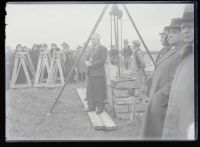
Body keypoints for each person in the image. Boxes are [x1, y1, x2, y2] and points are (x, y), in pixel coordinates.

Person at [141, 17, 185, 139]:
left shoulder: (183, 52)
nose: (169, 35)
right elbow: (161, 70)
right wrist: (150, 79)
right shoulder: (171, 50)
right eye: (169, 33)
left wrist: (157, 98)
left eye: (174, 32)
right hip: (158, 103)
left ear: (184, 34)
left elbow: (176, 82)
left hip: (165, 105)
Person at [162, 4, 195, 140]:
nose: (186, 30)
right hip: (176, 127)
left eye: (191, 26)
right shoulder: (186, 55)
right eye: (184, 27)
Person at [85, 33, 107, 115]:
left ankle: (100, 108)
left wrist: (91, 64)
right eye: (91, 39)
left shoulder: (103, 48)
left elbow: (102, 60)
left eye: (93, 39)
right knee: (90, 91)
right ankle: (91, 107)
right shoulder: (90, 48)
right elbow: (87, 57)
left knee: (98, 91)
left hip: (98, 74)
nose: (91, 40)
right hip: (90, 73)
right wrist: (86, 62)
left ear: (98, 39)